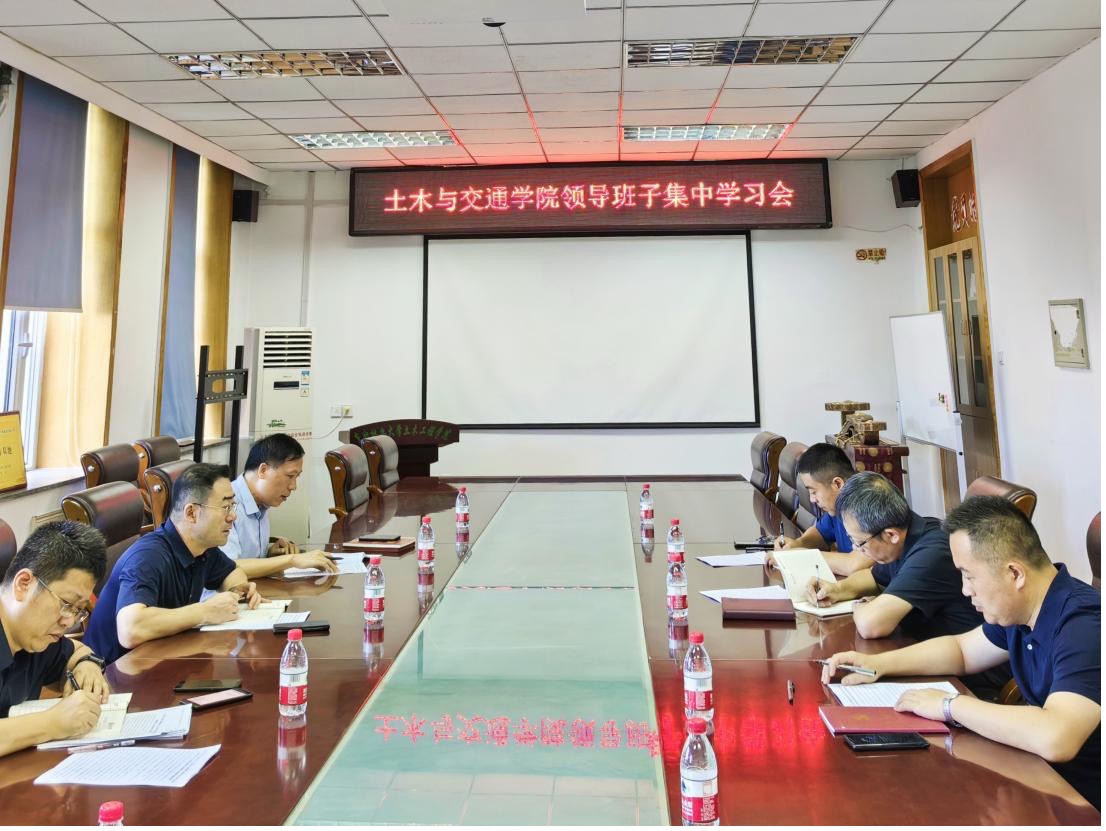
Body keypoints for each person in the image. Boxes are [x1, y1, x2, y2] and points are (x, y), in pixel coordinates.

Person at [821, 496, 1100, 809]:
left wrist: (950, 705)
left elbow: (1057, 736)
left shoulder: (1086, 625)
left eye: (969, 576)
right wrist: (877, 664)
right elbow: (962, 650)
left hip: (1084, 802)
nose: (966, 590)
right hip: (1042, 779)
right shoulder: (1023, 609)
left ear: (1014, 573)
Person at [84, 463, 262, 665]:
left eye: (233, 506)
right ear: (191, 513)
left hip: (163, 661)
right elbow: (130, 629)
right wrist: (206, 611)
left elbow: (231, 572)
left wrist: (237, 591)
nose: (233, 516)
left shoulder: (202, 547)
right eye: (225, 507)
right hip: (113, 674)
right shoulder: (148, 557)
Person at [0, 522, 110, 757]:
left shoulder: (33, 638)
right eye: (67, 604)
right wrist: (53, 722)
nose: (69, 622)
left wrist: (87, 665)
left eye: (78, 610)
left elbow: (76, 650)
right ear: (24, 584)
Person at [221, 434, 336, 579]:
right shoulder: (226, 504)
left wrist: (269, 555)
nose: (293, 486)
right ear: (263, 471)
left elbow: (245, 557)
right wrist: (290, 560)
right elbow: (227, 568)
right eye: (290, 476)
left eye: (296, 477)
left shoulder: (260, 502)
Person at [771, 443, 867, 575]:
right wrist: (796, 544)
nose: (812, 499)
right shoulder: (837, 507)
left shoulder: (868, 506)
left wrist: (800, 556)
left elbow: (855, 565)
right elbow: (820, 533)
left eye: (814, 491)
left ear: (837, 484)